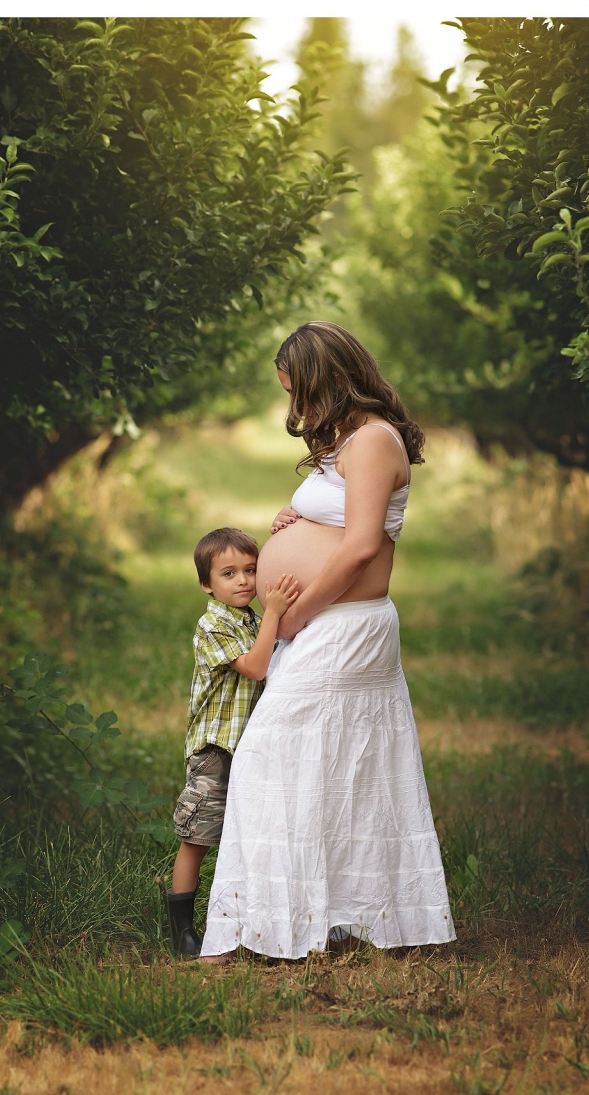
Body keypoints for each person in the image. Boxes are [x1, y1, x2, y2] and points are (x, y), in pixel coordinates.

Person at [199, 321, 457, 962]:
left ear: (327, 380)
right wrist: (294, 520)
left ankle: (283, 922)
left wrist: (293, 614)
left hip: (345, 626)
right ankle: (317, 919)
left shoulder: (372, 440)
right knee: (330, 765)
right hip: (328, 622)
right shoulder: (347, 441)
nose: (295, 409)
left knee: (274, 755)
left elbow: (364, 545)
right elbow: (338, 523)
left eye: (299, 392)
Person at [166, 527, 298, 955]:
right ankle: (183, 931)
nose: (243, 581)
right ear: (208, 584)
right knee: (198, 839)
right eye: (229, 573)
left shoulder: (252, 621)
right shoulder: (213, 625)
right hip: (215, 752)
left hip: (251, 747)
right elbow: (257, 666)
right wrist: (275, 613)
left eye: (251, 570)